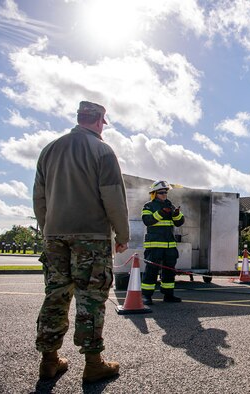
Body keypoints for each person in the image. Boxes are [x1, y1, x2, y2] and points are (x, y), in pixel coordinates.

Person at [33, 101, 130, 382]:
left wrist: (47, 229)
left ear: (79, 118)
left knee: (55, 297)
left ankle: (49, 361)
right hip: (91, 237)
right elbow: (113, 197)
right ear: (100, 121)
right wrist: (122, 236)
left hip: (54, 236)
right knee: (90, 300)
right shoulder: (102, 150)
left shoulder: (49, 150)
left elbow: (39, 198)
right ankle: (93, 363)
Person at [141, 180, 185, 304]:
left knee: (169, 271)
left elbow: (179, 222)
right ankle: (147, 296)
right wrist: (161, 213)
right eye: (161, 192)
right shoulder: (148, 206)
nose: (164, 194)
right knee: (151, 270)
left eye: (165, 192)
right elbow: (147, 221)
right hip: (154, 244)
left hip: (169, 245)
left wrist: (176, 214)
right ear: (154, 193)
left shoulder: (170, 205)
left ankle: (168, 295)